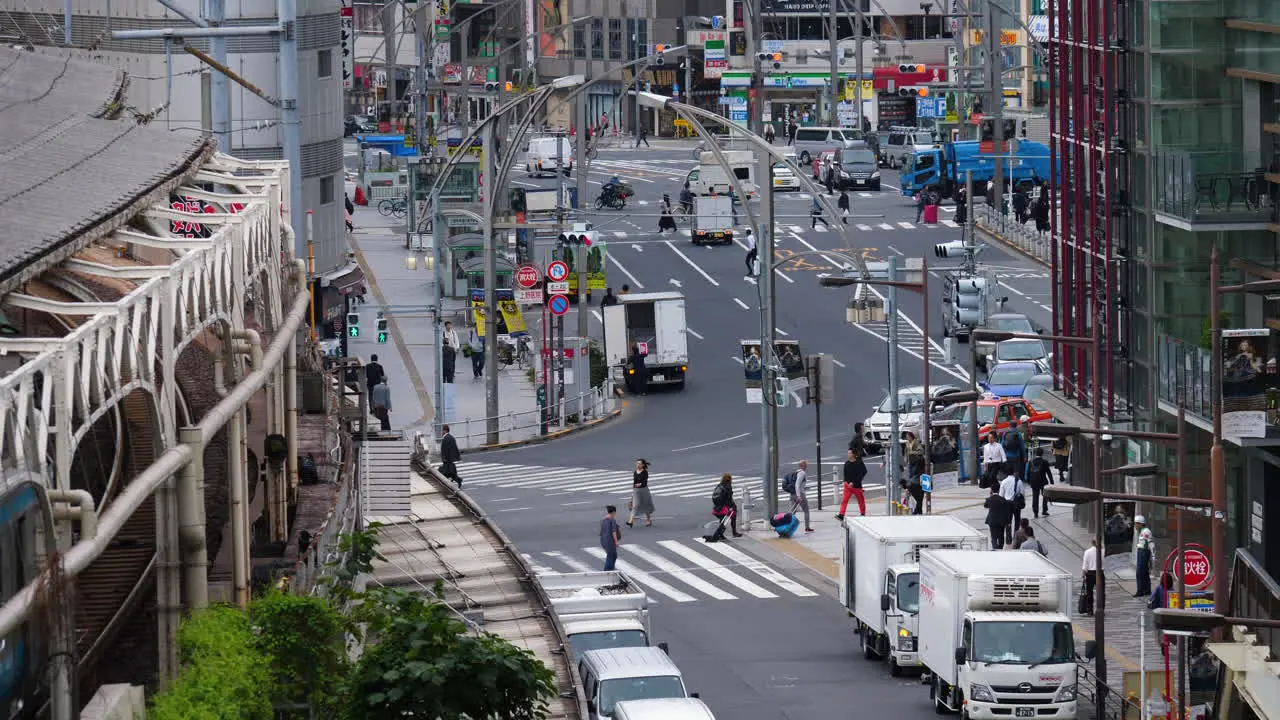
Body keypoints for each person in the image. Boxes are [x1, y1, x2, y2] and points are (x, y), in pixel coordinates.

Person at [836, 447, 867, 520]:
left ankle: (863, 514)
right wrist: (845, 482)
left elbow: (863, 472)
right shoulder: (847, 463)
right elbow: (845, 474)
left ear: (853, 454)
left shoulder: (859, 462)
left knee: (861, 501)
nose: (848, 454)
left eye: (850, 453)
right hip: (848, 486)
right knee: (844, 500)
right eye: (848, 453)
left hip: (857, 486)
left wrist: (854, 482)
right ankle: (841, 515)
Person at [999, 464, 1025, 544]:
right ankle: (1016, 538)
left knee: (1008, 521)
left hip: (1007, 504)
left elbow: (1001, 495)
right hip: (1016, 503)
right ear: (1014, 472)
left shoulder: (1003, 482)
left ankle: (1008, 539)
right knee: (1017, 520)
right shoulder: (1019, 481)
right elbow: (1022, 493)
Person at [1026, 447, 1053, 517]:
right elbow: (1049, 473)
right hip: (1043, 481)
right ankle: (1044, 510)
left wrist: (1029, 481)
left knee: (1035, 497)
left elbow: (1028, 473)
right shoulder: (1045, 462)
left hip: (1034, 481)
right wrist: (1052, 482)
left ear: (1036, 453)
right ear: (1042, 454)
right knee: (1045, 496)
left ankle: (1035, 512)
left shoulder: (1031, 461)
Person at [627, 459, 654, 528]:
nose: (637, 465)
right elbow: (634, 483)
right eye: (637, 463)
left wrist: (638, 485)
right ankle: (630, 521)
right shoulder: (635, 472)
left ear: (643, 465)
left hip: (644, 490)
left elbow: (644, 482)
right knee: (635, 505)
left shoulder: (645, 472)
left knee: (646, 505)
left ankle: (648, 520)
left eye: (639, 463)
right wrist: (632, 495)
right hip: (636, 490)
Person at [984, 485, 1012, 550]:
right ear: (999, 490)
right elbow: (1006, 511)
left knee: (993, 537)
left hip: (992, 521)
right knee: (1001, 536)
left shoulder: (989, 499)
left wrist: (990, 496)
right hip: (1001, 522)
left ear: (991, 491)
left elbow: (985, 506)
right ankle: (1000, 548)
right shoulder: (1003, 499)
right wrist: (1008, 522)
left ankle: (995, 548)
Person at [789, 460, 813, 533]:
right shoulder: (802, 473)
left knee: (792, 512)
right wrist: (799, 495)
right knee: (806, 511)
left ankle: (787, 527)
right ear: (804, 466)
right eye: (806, 465)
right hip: (799, 495)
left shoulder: (795, 472)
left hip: (792, 494)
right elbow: (797, 484)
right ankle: (807, 527)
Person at [1134, 515, 1154, 598]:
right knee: (1145, 571)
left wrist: (1153, 556)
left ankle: (1140, 590)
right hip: (1141, 552)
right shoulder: (1141, 531)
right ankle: (1147, 590)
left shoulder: (1146, 532)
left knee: (1139, 572)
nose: (1135, 525)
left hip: (1144, 552)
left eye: (1136, 523)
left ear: (1140, 524)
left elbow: (1151, 544)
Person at [600, 505, 622, 570]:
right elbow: (613, 532)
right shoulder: (612, 520)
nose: (615, 514)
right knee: (610, 556)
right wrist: (616, 541)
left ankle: (611, 568)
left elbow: (602, 531)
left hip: (604, 540)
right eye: (615, 513)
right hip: (610, 541)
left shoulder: (603, 520)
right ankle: (606, 570)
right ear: (613, 512)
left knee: (614, 555)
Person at [1081, 539, 1099, 615]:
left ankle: (1090, 610)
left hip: (1090, 573)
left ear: (1092, 543)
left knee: (1089, 592)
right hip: (1100, 573)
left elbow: (1085, 565)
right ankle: (1101, 608)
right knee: (1101, 592)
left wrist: (1083, 575)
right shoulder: (1103, 551)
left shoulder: (1087, 552)